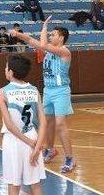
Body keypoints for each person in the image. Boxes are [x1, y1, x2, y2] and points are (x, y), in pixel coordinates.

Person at [0, 55, 48, 195]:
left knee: (13, 186)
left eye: (6, 67)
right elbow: (43, 121)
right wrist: (37, 144)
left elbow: (9, 125)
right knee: (35, 186)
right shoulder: (34, 90)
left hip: (14, 142)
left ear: (11, 72)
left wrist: (29, 142)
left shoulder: (2, 92)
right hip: (33, 138)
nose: (5, 70)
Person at [12, 17, 76, 173]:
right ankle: (50, 149)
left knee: (60, 124)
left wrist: (44, 26)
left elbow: (41, 44)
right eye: (50, 34)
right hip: (48, 90)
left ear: (61, 38)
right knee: (47, 122)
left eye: (53, 34)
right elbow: (30, 40)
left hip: (61, 91)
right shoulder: (48, 50)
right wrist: (17, 34)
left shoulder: (64, 51)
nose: (50, 36)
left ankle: (70, 158)